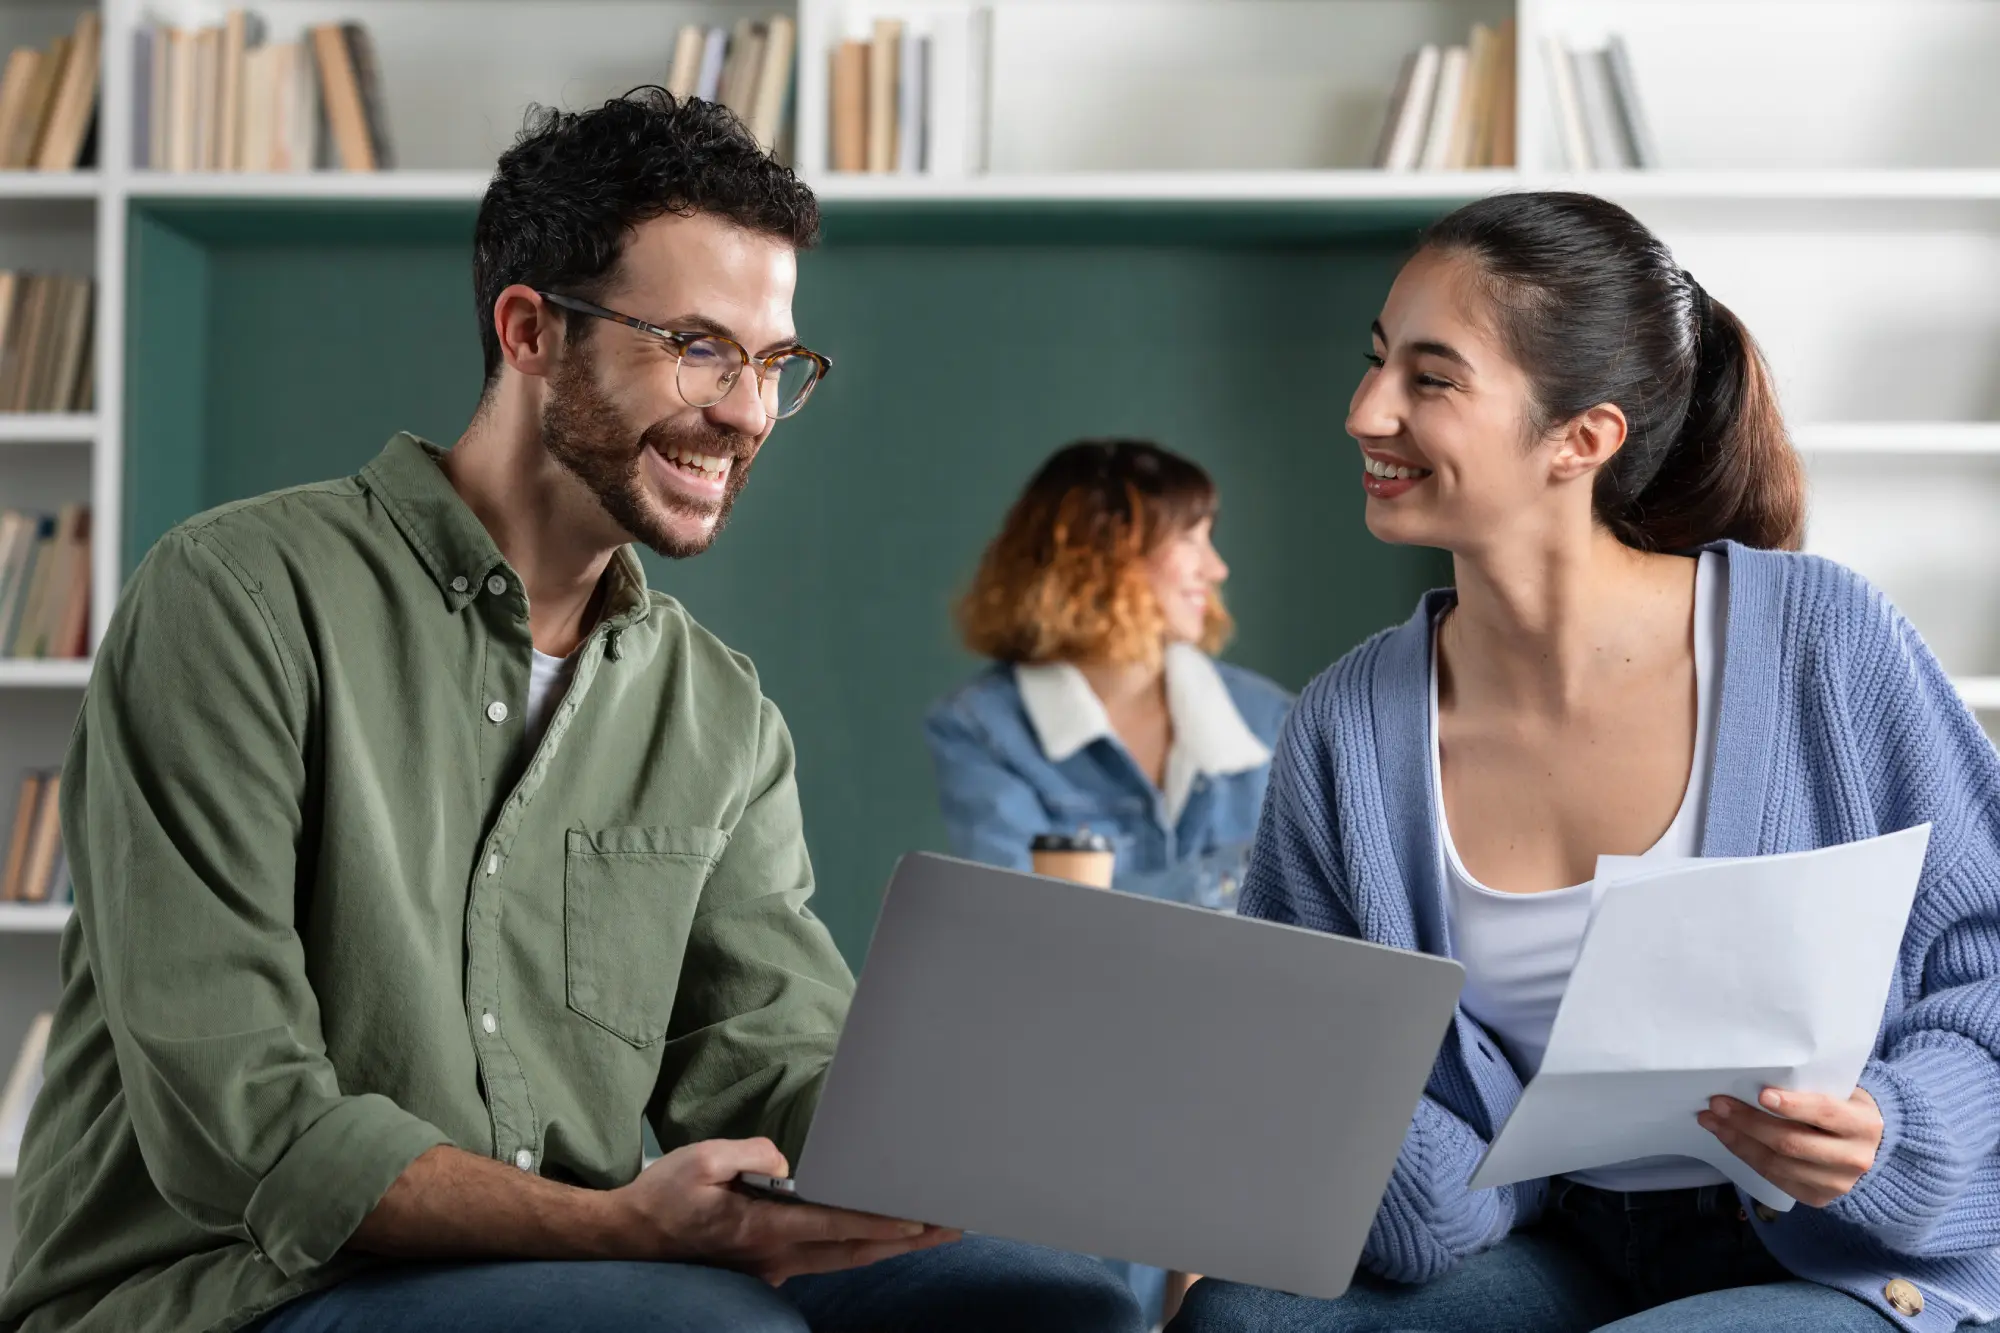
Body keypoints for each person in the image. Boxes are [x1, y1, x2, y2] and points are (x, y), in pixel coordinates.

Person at [0, 91, 1144, 1333]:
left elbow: (765, 1065)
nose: (749, 412)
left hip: (587, 1277)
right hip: (231, 1285)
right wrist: (620, 1227)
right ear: (532, 330)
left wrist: (977, 1133)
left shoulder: (716, 709)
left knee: (1056, 1303)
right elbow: (245, 1121)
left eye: (772, 364)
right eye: (699, 347)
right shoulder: (236, 599)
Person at [1171, 191, 2000, 1333]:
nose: (1365, 411)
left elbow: (1986, 958)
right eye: (1374, 364)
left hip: (1837, 1257)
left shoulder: (1823, 641)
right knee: (1245, 1319)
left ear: (1582, 437)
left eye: (1431, 377)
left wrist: (1892, 1131)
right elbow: (1325, 1070)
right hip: (1549, 1247)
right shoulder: (1347, 729)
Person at [923, 439, 1292, 1324]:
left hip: (1242, 1067)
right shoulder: (984, 726)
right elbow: (1035, 941)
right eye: (1192, 537)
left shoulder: (1268, 714)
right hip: (1073, 1069)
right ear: (1102, 552)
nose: (1217, 565)